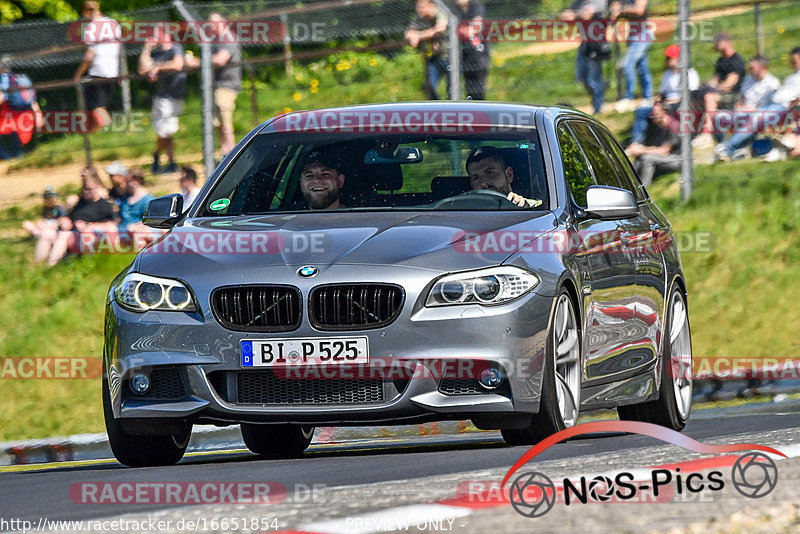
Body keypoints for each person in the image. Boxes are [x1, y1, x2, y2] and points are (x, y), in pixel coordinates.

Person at [716, 50, 800, 161]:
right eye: (792, 61)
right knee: (717, 117)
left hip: (779, 109)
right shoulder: (790, 77)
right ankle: (731, 148)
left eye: (795, 61)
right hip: (764, 109)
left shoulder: (772, 83)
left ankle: (727, 149)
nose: (793, 63)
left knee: (754, 119)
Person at [35, 168, 116, 266]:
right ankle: (40, 266)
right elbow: (67, 216)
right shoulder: (80, 202)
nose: (86, 191)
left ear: (97, 188)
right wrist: (65, 218)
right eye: (84, 188)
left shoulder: (104, 204)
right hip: (71, 232)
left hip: (87, 234)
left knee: (64, 236)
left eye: (89, 189)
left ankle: (53, 265)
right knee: (46, 233)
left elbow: (112, 222)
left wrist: (90, 225)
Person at [139, 27, 186, 174]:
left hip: (176, 95)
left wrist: (157, 67)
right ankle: (170, 162)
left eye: (156, 34)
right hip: (163, 98)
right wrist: (146, 48)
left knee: (166, 131)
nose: (154, 36)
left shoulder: (176, 48)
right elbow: (142, 69)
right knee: (167, 130)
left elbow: (178, 64)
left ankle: (158, 156)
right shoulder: (156, 52)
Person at [631, 44, 699, 144]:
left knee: (667, 111)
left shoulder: (690, 73)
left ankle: (669, 142)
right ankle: (637, 141)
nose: (667, 60)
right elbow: (662, 93)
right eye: (668, 57)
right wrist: (656, 103)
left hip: (680, 105)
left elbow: (691, 96)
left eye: (670, 57)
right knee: (641, 111)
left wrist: (669, 102)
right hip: (665, 103)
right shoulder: (667, 74)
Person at [691, 32, 746, 148]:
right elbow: (716, 79)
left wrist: (714, 89)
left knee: (709, 98)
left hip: (734, 95)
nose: (715, 44)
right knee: (696, 95)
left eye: (718, 41)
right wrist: (707, 86)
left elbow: (731, 83)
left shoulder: (736, 60)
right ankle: (695, 132)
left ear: (727, 43)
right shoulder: (720, 60)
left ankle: (706, 135)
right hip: (721, 93)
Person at [73, 1, 120, 132]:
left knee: (97, 108)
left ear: (85, 12)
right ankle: (98, 134)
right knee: (101, 106)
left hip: (98, 71)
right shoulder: (113, 23)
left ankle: (108, 134)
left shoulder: (91, 28)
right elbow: (118, 49)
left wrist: (78, 74)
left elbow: (89, 56)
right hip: (112, 70)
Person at [562, 0, 610, 115]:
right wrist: (577, 14)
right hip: (584, 45)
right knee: (581, 77)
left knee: (594, 79)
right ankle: (601, 89)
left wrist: (575, 15)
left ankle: (598, 107)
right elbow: (565, 16)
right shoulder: (578, 2)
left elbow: (587, 15)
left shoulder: (599, 1)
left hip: (596, 44)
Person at [208, 13, 242, 157]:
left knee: (225, 119)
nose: (210, 27)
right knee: (218, 122)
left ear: (222, 23)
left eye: (212, 23)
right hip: (217, 86)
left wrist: (199, 61)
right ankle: (224, 152)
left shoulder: (228, 38)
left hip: (227, 86)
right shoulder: (215, 41)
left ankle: (231, 153)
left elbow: (220, 60)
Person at [625, 98, 680, 186]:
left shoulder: (674, 126)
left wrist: (641, 150)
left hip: (677, 159)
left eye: (655, 113)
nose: (651, 116)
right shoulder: (658, 127)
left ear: (664, 112)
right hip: (666, 157)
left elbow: (664, 151)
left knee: (647, 158)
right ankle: (630, 185)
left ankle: (643, 188)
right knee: (640, 157)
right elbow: (655, 148)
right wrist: (639, 148)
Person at [610, 0, 653, 112]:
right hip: (632, 37)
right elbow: (614, 14)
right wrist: (615, 13)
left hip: (643, 35)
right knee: (643, 68)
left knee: (627, 64)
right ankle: (648, 98)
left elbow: (639, 10)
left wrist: (620, 10)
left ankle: (629, 98)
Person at [465, 146, 541, 207]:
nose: (484, 183)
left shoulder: (536, 209)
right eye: (476, 178)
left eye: (490, 173)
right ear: (472, 185)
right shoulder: (460, 210)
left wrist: (523, 205)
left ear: (509, 175)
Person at [405, 0, 450, 100]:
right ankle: (438, 108)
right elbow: (409, 32)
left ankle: (452, 111)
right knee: (428, 86)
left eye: (421, 7)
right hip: (436, 57)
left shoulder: (441, 12)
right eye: (417, 7)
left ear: (431, 5)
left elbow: (440, 28)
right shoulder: (420, 17)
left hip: (451, 57)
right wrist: (412, 36)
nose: (418, 10)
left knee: (451, 90)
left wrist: (419, 36)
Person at [0, 60, 43, 159]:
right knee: (18, 141)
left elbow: (2, 98)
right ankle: (17, 158)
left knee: (13, 135)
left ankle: (8, 159)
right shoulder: (24, 78)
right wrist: (38, 115)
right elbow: (33, 101)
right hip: (26, 117)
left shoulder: (4, 79)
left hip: (10, 117)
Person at [455, 0, 490, 100]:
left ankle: (480, 109)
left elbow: (476, 27)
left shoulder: (475, 5)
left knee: (478, 86)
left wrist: (459, 30)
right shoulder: (456, 10)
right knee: (468, 86)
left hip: (479, 52)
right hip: (464, 52)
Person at [118, 169, 154, 234]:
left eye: (129, 181)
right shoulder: (125, 197)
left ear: (138, 181)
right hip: (122, 230)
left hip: (138, 231)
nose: (126, 184)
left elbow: (152, 221)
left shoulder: (148, 200)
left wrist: (136, 227)